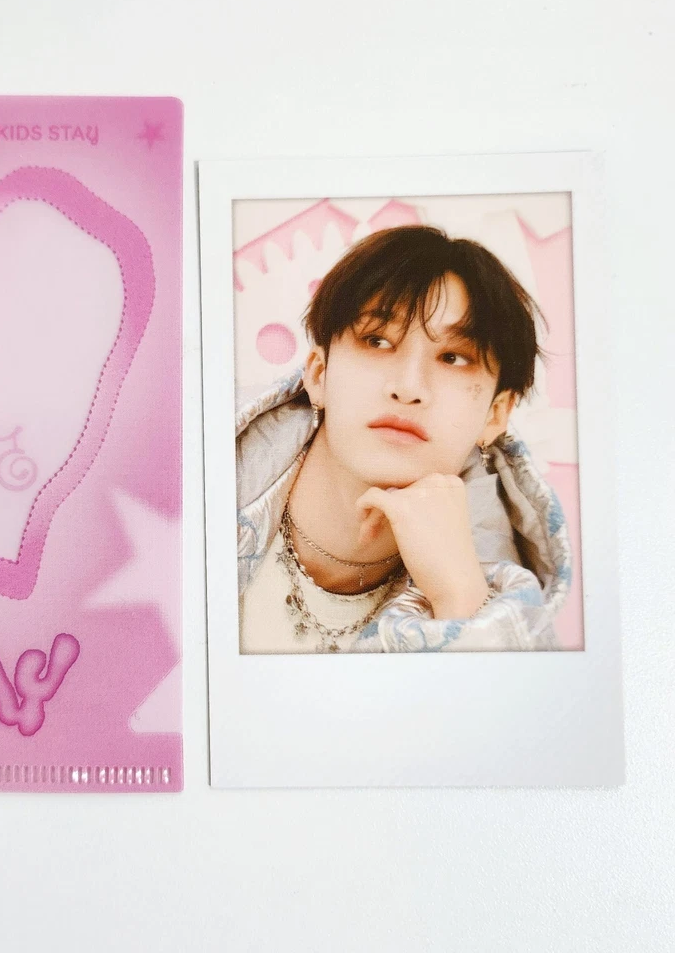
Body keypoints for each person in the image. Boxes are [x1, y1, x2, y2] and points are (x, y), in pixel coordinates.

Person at [237, 224, 572, 654]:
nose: (409, 387)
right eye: (377, 341)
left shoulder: (503, 591)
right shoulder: (192, 483)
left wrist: (461, 598)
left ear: (495, 414)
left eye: (453, 357)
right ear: (319, 374)